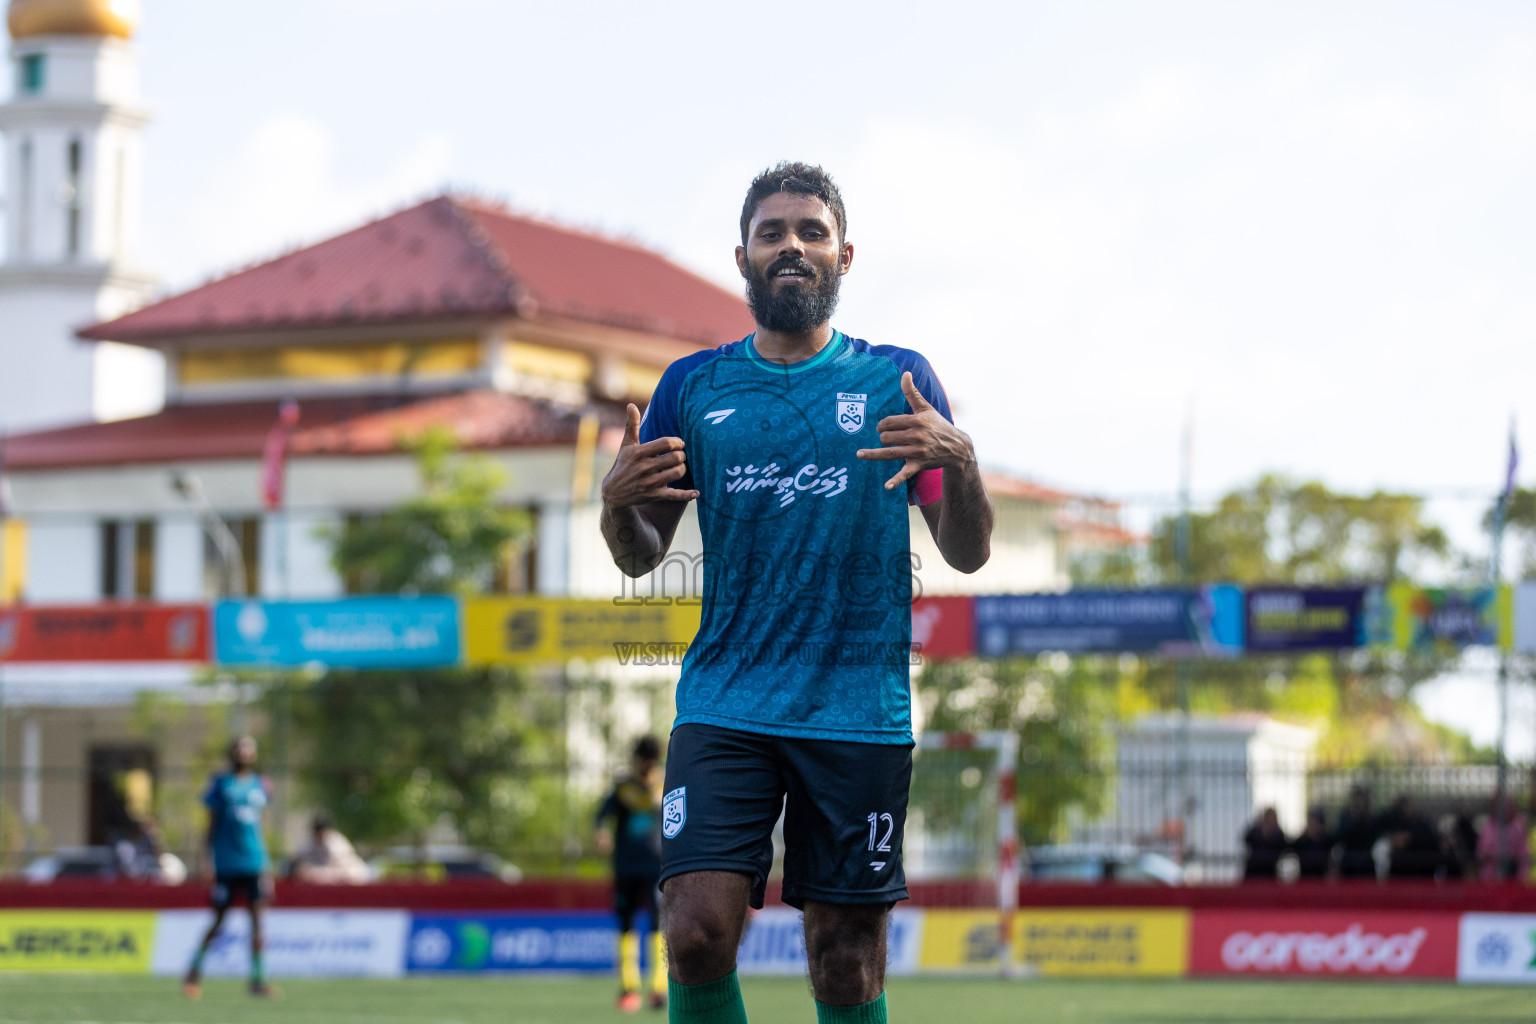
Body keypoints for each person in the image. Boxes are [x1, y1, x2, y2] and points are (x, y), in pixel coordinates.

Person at [601, 161, 994, 1024]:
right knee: (696, 930)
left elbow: (965, 554)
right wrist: (615, 505)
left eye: (811, 232)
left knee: (845, 962)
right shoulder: (692, 388)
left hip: (858, 708)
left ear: (844, 257)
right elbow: (639, 557)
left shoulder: (897, 379)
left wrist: (961, 463)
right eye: (772, 232)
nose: (792, 246)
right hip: (726, 701)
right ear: (741, 256)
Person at [182, 736, 275, 999]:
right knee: (219, 921)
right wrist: (206, 860)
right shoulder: (220, 785)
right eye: (238, 749)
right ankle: (194, 972)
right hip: (226, 864)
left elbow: (261, 828)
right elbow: (210, 826)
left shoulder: (262, 785)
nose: (243, 753)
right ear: (231, 754)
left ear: (254, 755)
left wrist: (266, 867)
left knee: (257, 922)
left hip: (254, 863)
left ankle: (258, 980)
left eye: (248, 749)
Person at [596, 736, 668, 1013]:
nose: (647, 766)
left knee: (658, 925)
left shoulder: (666, 784)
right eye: (644, 760)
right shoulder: (623, 788)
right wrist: (601, 831)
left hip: (656, 866)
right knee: (625, 924)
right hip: (626, 866)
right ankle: (629, 988)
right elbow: (602, 815)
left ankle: (659, 988)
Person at [290, 814, 371, 884]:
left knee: (353, 874)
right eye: (318, 832)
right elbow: (299, 862)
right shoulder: (308, 842)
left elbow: (342, 864)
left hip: (341, 872)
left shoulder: (336, 841)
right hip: (320, 873)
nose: (320, 836)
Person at [1476, 791, 1531, 881]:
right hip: (1490, 879)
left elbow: (1523, 857)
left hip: (1513, 879)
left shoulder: (1518, 827)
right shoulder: (1488, 826)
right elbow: (1481, 853)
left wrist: (1521, 878)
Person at [1335, 785, 1380, 880]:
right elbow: (1340, 837)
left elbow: (1373, 836)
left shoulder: (1370, 819)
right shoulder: (1345, 818)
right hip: (1348, 865)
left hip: (1366, 864)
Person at [1241, 807, 1288, 880]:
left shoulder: (1278, 834)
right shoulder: (1256, 831)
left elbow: (1283, 847)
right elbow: (1247, 839)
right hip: (1253, 871)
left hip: (1270, 871)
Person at [1290, 806, 1334, 879]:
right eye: (1310, 822)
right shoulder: (1302, 842)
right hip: (1305, 882)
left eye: (1314, 822)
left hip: (1322, 882)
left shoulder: (1328, 841)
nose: (1311, 825)